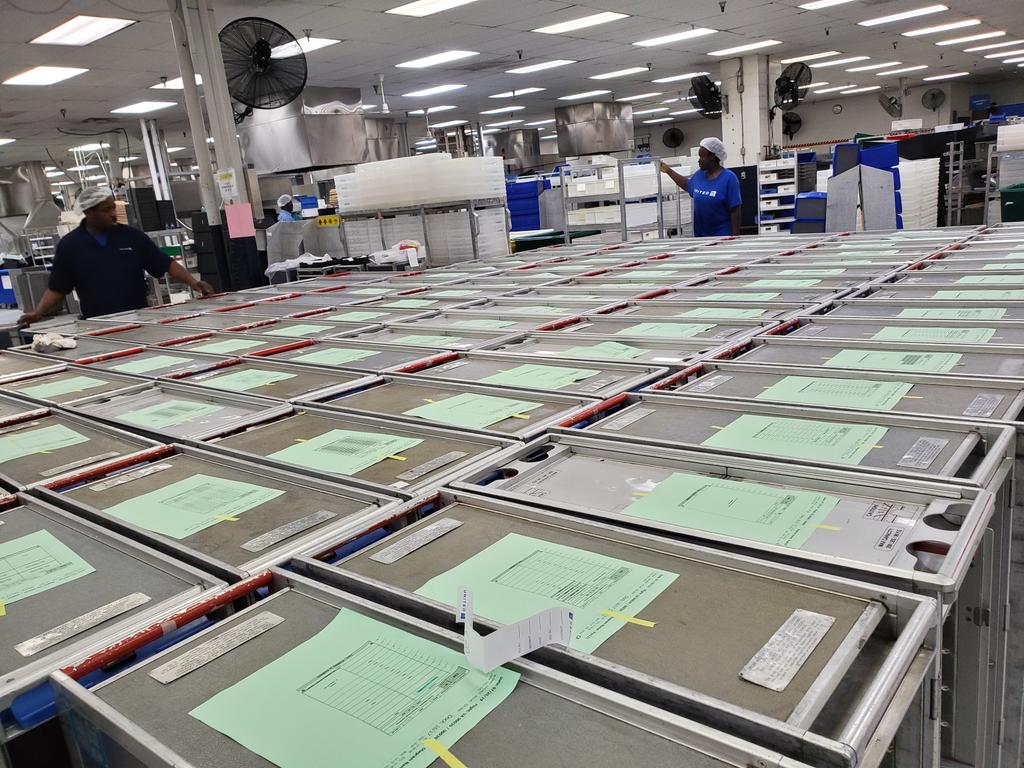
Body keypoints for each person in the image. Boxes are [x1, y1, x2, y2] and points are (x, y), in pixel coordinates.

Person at [19, 187, 214, 325]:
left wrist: (193, 282)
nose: (114, 213)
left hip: (139, 318)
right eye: (106, 210)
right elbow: (58, 288)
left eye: (113, 207)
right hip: (99, 324)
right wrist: (38, 312)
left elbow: (165, 263)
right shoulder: (70, 245)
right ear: (88, 212)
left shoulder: (131, 236)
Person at [659, 137, 741, 237]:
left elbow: (735, 210)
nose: (699, 161)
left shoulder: (729, 178)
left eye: (702, 157)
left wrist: (735, 237)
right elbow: (687, 184)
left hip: (722, 235)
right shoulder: (699, 175)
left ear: (712, 157)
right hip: (701, 236)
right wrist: (668, 171)